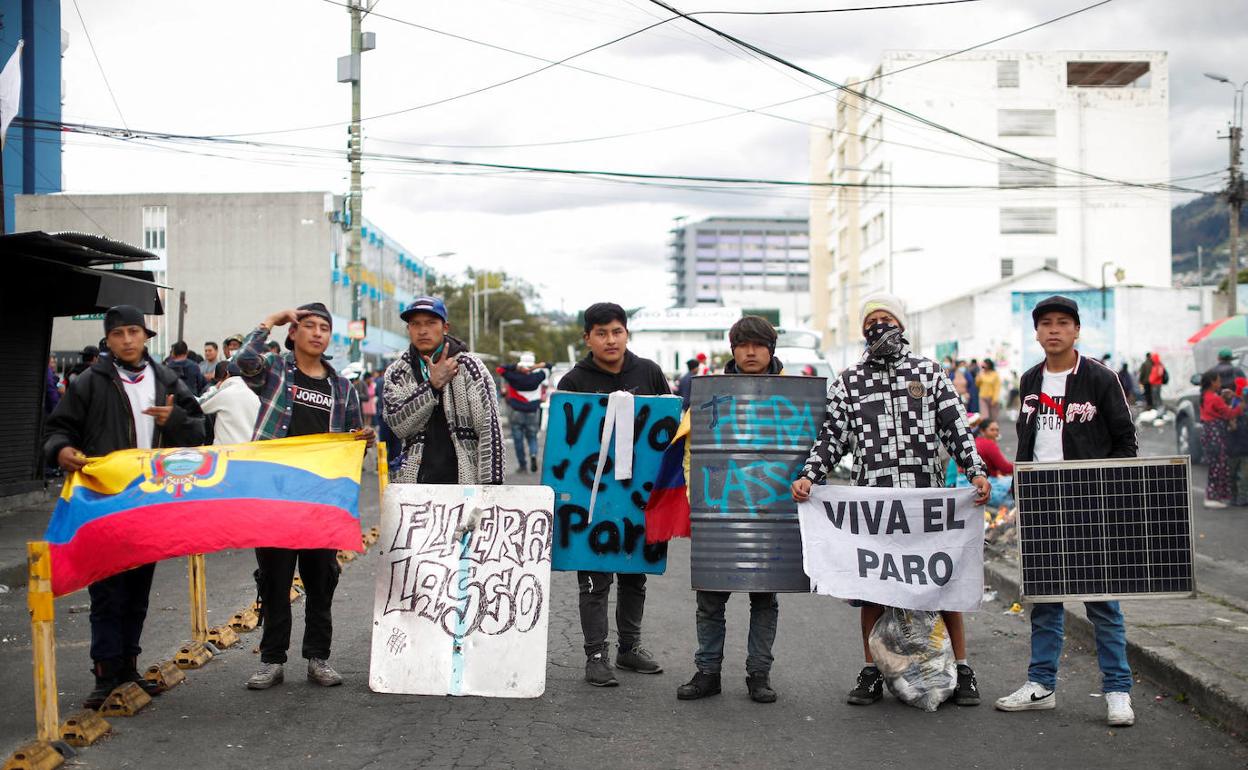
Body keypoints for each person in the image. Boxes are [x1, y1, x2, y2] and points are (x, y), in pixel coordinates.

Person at [790, 292, 990, 708]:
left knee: (941, 584)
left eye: (886, 318)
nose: (878, 326)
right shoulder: (849, 382)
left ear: (901, 323)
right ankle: (871, 672)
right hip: (875, 507)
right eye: (871, 320)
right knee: (873, 588)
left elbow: (956, 427)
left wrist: (976, 471)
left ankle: (964, 669)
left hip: (925, 502)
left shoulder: (930, 373)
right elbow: (833, 438)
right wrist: (810, 476)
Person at [43, 305, 205, 708]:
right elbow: (58, 429)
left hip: (150, 502)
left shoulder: (166, 379)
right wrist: (61, 450)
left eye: (135, 332)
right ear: (108, 340)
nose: (128, 340)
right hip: (103, 501)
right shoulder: (88, 383)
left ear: (146, 337)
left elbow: (201, 429)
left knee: (137, 591)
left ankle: (129, 669)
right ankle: (104, 675)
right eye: (119, 334)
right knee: (106, 590)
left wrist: (175, 421)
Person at [995, 294, 1139, 727]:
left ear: (1077, 330)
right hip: (1041, 504)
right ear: (1036, 332)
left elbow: (1125, 443)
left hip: (1090, 506)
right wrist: (1020, 490)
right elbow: (1029, 442)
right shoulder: (1029, 380)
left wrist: (1104, 492)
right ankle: (1041, 685)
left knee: (1102, 604)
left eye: (1063, 323)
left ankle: (1117, 691)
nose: (1054, 330)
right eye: (1046, 324)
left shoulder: (1100, 378)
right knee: (1045, 601)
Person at [236, 302, 373, 691]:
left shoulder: (342, 387)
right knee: (275, 582)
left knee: (320, 580)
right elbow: (241, 361)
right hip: (276, 496)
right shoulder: (276, 371)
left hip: (321, 499)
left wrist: (363, 440)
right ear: (293, 334)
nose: (316, 333)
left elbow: (351, 444)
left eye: (324, 328)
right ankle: (271, 661)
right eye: (308, 326)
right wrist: (270, 321)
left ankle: (318, 658)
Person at [557, 302, 671, 687]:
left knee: (634, 574)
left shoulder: (649, 373)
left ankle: (629, 649)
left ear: (626, 334)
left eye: (617, 331)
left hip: (638, 496)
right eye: (601, 333)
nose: (610, 340)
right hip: (592, 498)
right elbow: (564, 447)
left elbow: (670, 430)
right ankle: (596, 655)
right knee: (594, 579)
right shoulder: (573, 382)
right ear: (587, 338)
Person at [678, 316, 783, 705]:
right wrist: (695, 499)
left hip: (771, 515)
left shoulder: (793, 393)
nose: (750, 352)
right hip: (717, 509)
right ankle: (708, 673)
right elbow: (692, 450)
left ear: (771, 349)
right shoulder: (709, 393)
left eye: (758, 344)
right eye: (743, 345)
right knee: (710, 598)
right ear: (733, 349)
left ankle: (759, 675)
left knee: (764, 598)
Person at [383, 296, 505, 486]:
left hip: (465, 482)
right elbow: (398, 425)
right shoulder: (397, 372)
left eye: (431, 323)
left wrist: (492, 488)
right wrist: (432, 386)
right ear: (408, 329)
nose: (423, 330)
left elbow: (489, 429)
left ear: (445, 327)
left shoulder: (469, 367)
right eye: (415, 324)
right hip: (414, 483)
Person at [496, 352, 549, 474]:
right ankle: (533, 454)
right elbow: (549, 366)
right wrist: (536, 367)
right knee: (532, 437)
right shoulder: (539, 376)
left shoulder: (513, 376)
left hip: (516, 412)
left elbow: (500, 369)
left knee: (518, 440)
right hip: (532, 412)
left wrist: (515, 367)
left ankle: (522, 465)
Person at [1199, 371, 1240, 509]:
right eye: (1218, 381)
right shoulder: (1214, 398)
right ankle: (1212, 496)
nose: (1220, 383)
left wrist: (1222, 397)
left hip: (1208, 434)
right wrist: (1243, 405)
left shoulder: (1206, 396)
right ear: (1212, 382)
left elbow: (1216, 407)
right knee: (1218, 465)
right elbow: (1229, 413)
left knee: (1214, 465)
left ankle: (1214, 496)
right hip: (1215, 434)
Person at [198, 361, 260, 445]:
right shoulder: (255, 393)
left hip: (226, 451)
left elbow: (200, 405)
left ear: (227, 374)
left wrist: (215, 388)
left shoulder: (224, 393)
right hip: (250, 449)